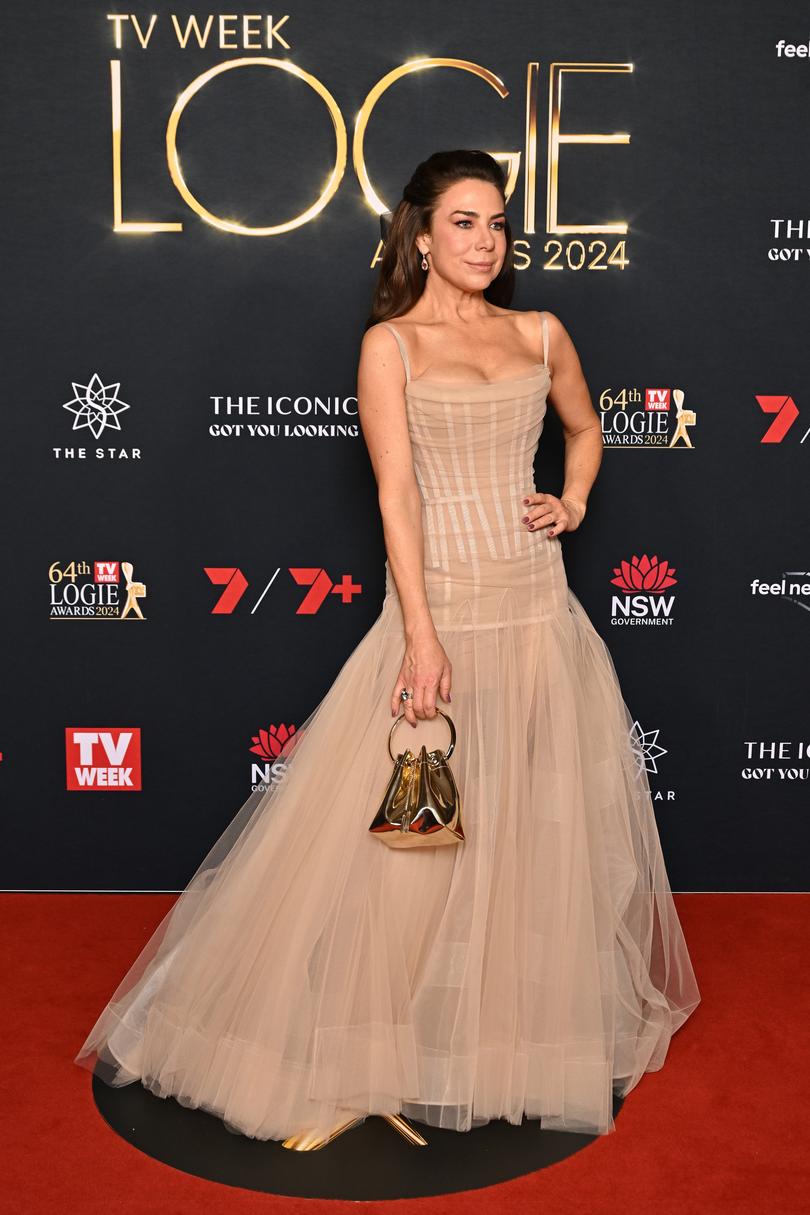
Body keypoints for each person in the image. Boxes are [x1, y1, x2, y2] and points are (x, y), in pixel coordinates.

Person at [74, 149, 700, 1151]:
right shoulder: (389, 347)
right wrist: (420, 634)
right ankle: (351, 1068)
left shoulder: (542, 332)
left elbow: (586, 430)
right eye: (462, 222)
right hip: (441, 615)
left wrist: (573, 499)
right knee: (405, 858)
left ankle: (490, 1046)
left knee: (526, 843)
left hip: (539, 612)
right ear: (418, 234)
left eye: (496, 223)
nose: (484, 241)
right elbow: (395, 496)